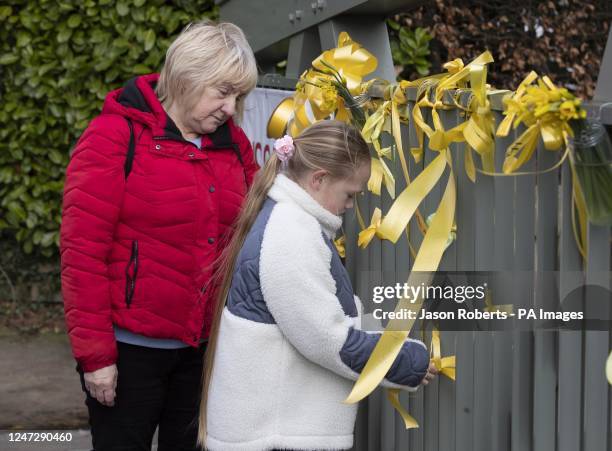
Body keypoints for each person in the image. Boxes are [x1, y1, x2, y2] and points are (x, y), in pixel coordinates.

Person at [60, 20, 259, 451]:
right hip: (130, 352)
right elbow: (83, 254)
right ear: (189, 75)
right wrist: (96, 358)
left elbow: (259, 227)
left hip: (203, 351)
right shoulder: (113, 137)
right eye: (223, 91)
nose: (230, 107)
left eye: (238, 97)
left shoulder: (235, 146)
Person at [199, 120, 438, 451]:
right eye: (349, 194)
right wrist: (406, 359)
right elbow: (328, 339)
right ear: (319, 179)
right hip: (277, 436)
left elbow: (334, 310)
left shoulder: (293, 223)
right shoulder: (291, 234)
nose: (351, 205)